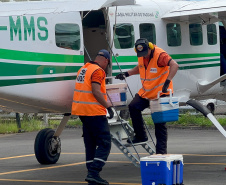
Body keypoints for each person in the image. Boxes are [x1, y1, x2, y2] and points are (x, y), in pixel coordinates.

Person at [115, 38, 178, 154]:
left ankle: (161, 152)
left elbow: (175, 65)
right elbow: (140, 68)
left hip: (161, 93)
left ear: (150, 47)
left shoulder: (160, 55)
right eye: (141, 54)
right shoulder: (141, 54)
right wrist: (127, 73)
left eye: (146, 53)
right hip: (147, 91)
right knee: (133, 106)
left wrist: (167, 82)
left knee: (159, 123)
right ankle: (140, 136)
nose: (144, 56)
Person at [71, 49, 114, 185]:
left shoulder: (83, 69)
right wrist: (108, 106)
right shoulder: (98, 71)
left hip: (82, 111)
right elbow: (96, 91)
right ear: (106, 61)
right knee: (105, 143)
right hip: (94, 111)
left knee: (90, 144)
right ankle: (94, 173)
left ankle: (91, 175)